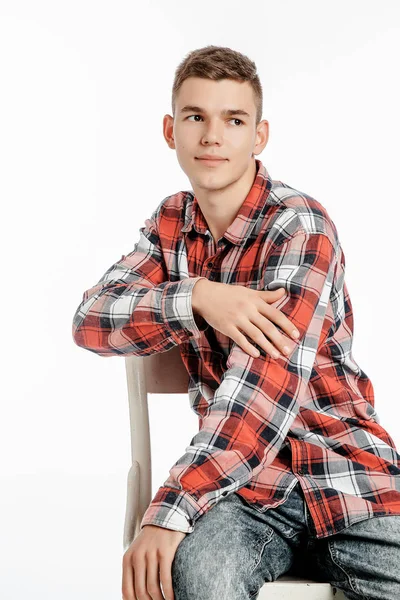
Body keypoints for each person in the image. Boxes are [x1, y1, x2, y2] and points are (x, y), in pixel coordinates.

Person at [72, 45, 400, 600]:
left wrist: (169, 508)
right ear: (169, 130)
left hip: (347, 474)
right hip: (245, 490)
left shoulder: (301, 225)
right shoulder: (170, 225)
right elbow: (92, 319)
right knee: (199, 574)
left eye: (234, 119)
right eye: (195, 116)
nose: (212, 136)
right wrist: (199, 296)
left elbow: (262, 388)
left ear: (260, 135)